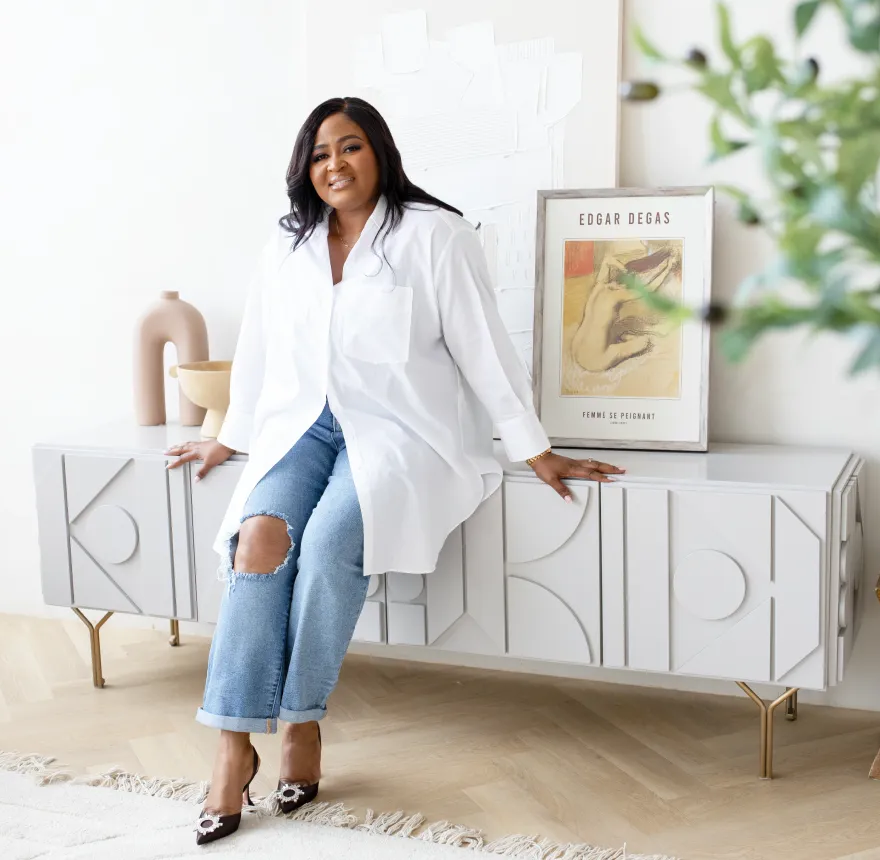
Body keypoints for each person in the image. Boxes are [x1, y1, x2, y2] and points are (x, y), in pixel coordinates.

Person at [165, 96, 623, 845]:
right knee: (258, 539)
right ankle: (232, 744)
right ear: (304, 169)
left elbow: (484, 347)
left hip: (401, 429)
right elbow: (257, 348)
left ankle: (303, 722)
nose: (334, 165)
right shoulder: (287, 246)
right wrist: (230, 435)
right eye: (319, 155)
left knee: (331, 542)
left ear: (378, 152)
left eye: (349, 148)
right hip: (301, 426)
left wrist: (531, 446)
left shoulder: (436, 236)